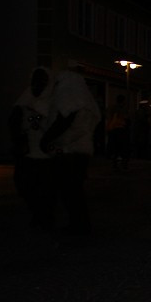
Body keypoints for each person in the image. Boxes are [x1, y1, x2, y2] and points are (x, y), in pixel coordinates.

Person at [40, 69, 101, 236]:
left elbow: (65, 118)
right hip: (81, 151)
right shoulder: (85, 100)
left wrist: (46, 139)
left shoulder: (69, 96)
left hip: (68, 151)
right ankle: (80, 225)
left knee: (70, 191)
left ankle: (79, 227)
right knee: (75, 191)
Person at [9, 67, 57, 231]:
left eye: (43, 82)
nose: (38, 86)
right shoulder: (24, 99)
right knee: (25, 186)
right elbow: (14, 122)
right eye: (36, 81)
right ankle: (37, 213)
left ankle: (44, 217)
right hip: (27, 153)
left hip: (46, 155)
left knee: (46, 188)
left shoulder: (52, 102)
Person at [106, 94, 131, 171]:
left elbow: (109, 117)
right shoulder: (121, 109)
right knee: (123, 148)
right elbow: (125, 117)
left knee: (115, 148)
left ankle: (116, 164)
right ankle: (123, 164)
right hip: (120, 129)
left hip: (114, 129)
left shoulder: (112, 108)